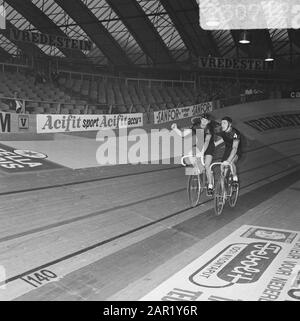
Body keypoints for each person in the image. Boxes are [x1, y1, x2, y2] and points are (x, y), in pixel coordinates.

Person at [171, 113, 215, 196]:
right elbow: (183, 134)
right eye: (202, 119)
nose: (203, 122)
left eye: (206, 120)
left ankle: (210, 186)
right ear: (201, 119)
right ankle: (198, 169)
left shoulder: (209, 128)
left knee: (207, 165)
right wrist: (175, 129)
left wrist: (202, 153)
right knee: (191, 155)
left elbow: (207, 142)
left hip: (209, 146)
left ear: (208, 122)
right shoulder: (196, 126)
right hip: (199, 143)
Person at [215, 116, 242, 187]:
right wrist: (215, 144)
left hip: (236, 150)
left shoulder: (235, 133)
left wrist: (228, 160)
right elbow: (225, 138)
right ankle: (223, 191)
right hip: (228, 149)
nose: (222, 125)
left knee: (231, 162)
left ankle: (235, 179)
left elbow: (235, 148)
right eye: (221, 123)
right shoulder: (223, 131)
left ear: (230, 124)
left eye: (224, 123)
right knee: (222, 167)